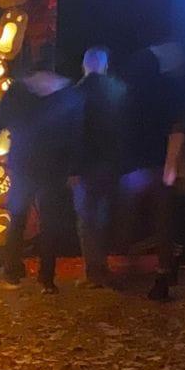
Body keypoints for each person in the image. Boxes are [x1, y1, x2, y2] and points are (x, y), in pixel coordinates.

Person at [0, 62, 74, 289]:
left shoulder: (19, 93)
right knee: (47, 221)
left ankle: (13, 271)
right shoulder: (63, 94)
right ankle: (46, 278)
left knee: (20, 217)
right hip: (51, 165)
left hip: (26, 163)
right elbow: (73, 130)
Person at [119, 40, 185, 303]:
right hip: (158, 165)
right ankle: (163, 272)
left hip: (135, 167)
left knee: (132, 217)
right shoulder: (167, 90)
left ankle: (138, 266)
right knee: (163, 221)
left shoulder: (127, 94)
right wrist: (171, 164)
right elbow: (178, 126)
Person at [70, 45, 126, 287]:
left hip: (84, 166)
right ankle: (103, 267)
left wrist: (71, 169)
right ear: (104, 65)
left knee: (86, 219)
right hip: (111, 164)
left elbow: (72, 133)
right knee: (103, 217)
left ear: (84, 65)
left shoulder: (76, 94)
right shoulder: (119, 91)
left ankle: (93, 272)